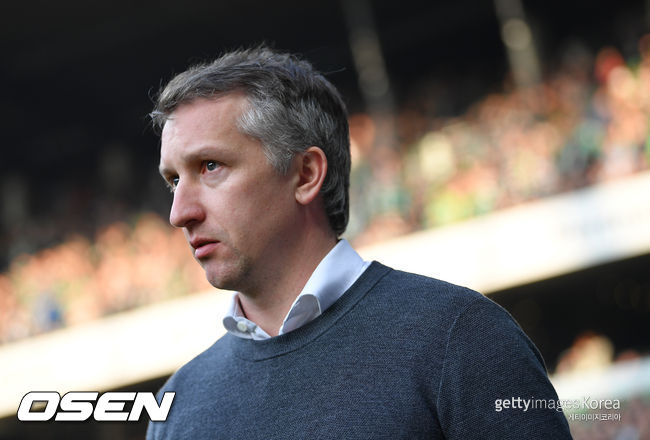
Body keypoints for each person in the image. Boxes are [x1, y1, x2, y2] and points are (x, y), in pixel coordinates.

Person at [147, 46, 572, 439]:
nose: (179, 213)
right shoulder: (176, 408)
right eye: (174, 181)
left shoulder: (461, 338)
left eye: (210, 166)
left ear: (306, 174)